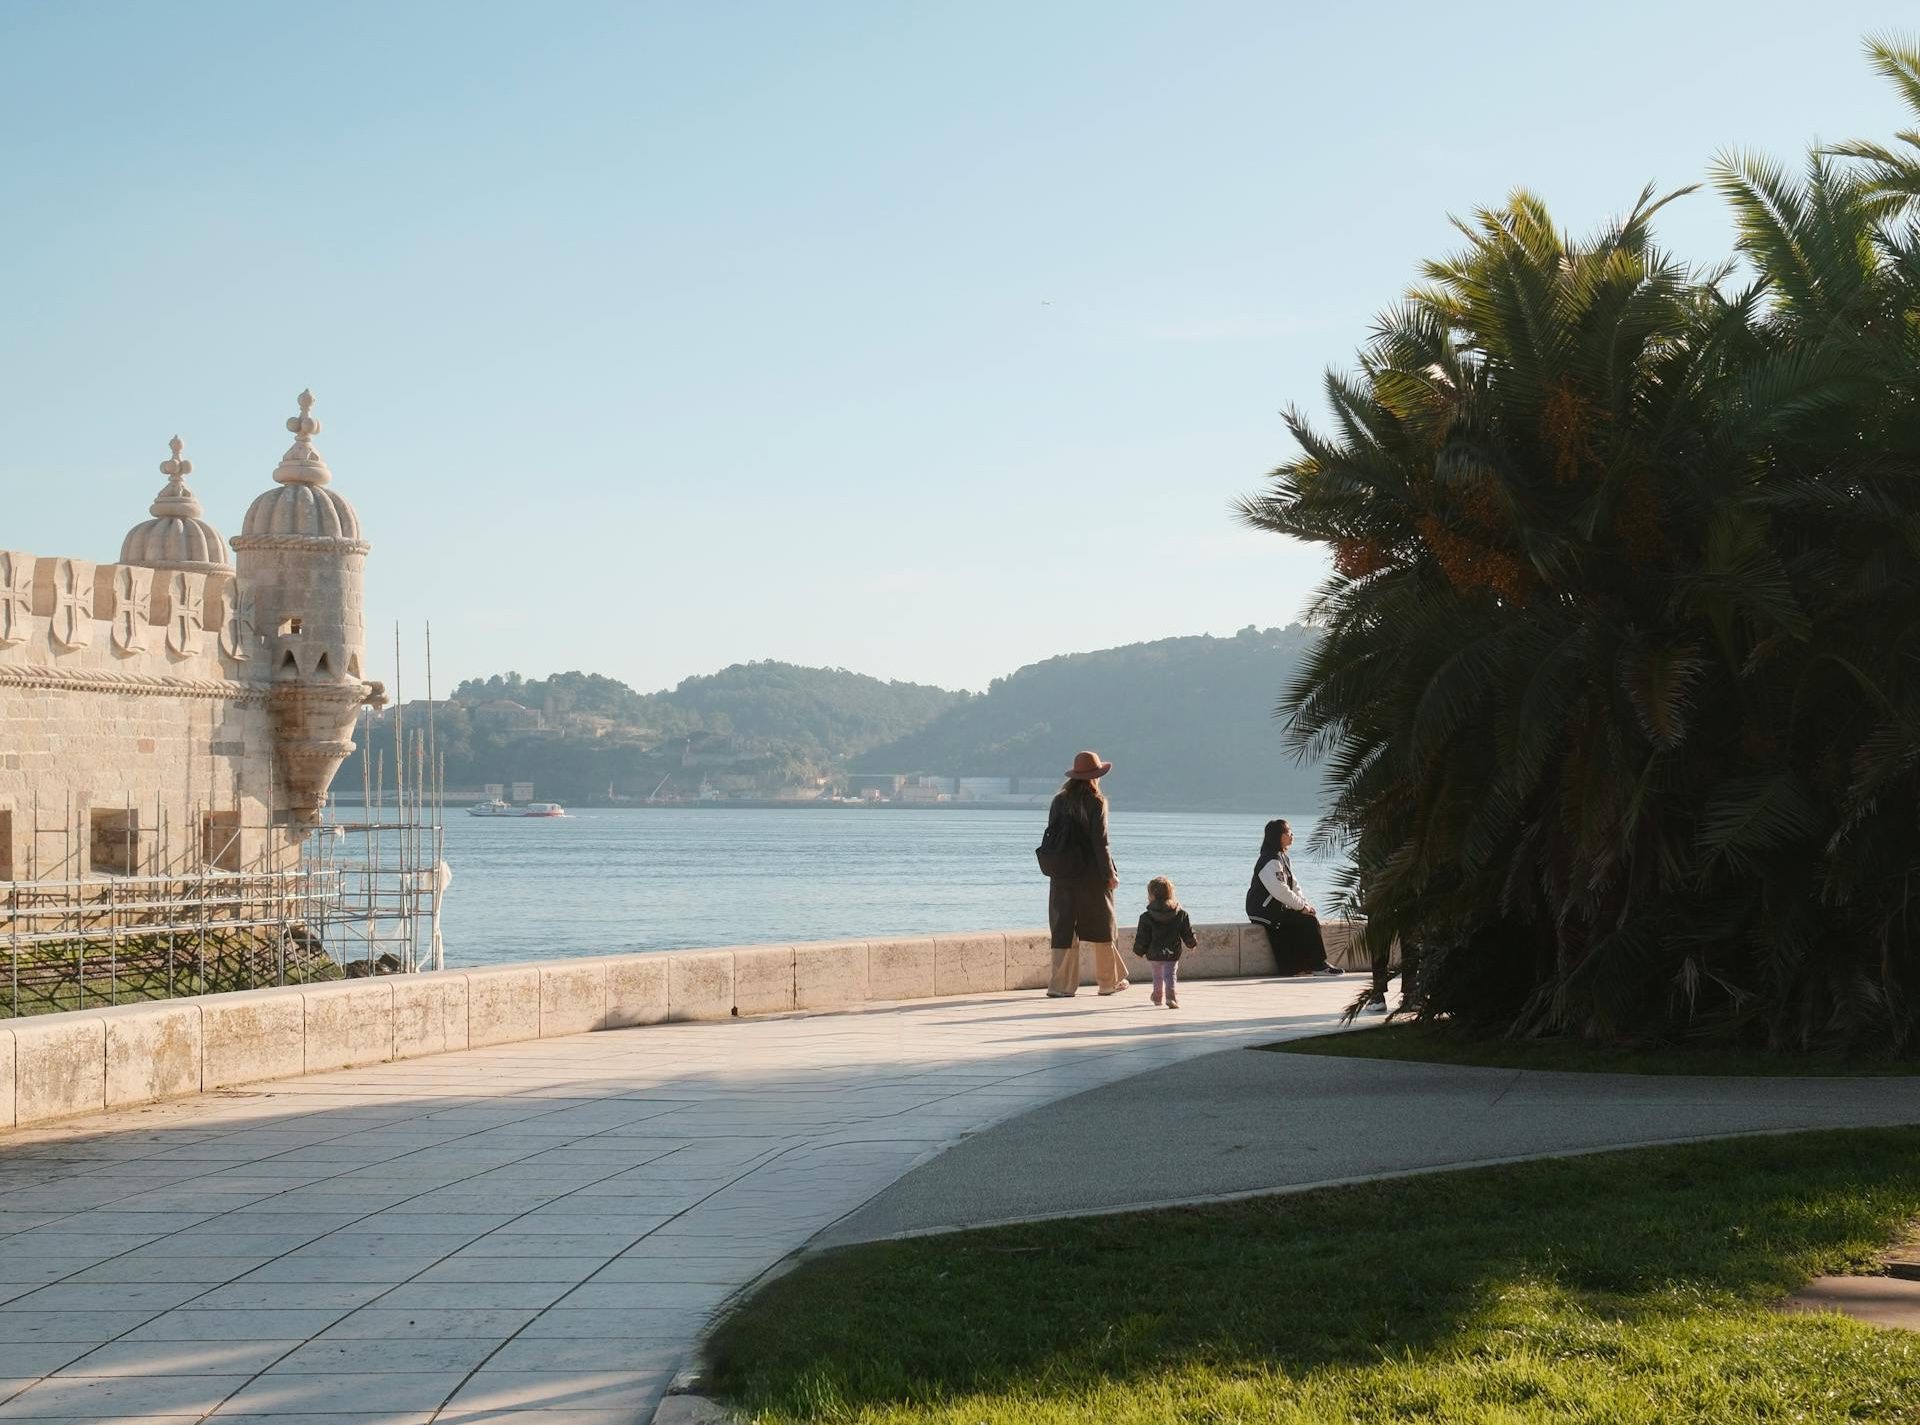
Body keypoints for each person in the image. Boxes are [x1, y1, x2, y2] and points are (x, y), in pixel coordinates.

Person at [1044, 750, 1130, 998]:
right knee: (1103, 925)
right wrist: (1110, 874)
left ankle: (1060, 986)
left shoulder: (1059, 801)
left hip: (1063, 873)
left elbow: (1052, 835)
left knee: (1063, 927)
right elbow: (1100, 843)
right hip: (1091, 874)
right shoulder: (1096, 802)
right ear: (1095, 777)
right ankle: (1108, 982)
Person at [1246, 818, 1341, 976]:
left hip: (1276, 908)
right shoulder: (1270, 860)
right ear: (1279, 836)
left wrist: (1304, 905)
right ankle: (1319, 965)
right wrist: (1301, 908)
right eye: (1288, 832)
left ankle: (1297, 967)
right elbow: (1280, 890)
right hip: (1262, 910)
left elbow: (1294, 884)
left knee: (1302, 919)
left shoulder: (1282, 857)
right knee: (1309, 922)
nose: (1292, 835)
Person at [1136, 875, 1197, 1008]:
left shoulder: (1146, 917)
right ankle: (1171, 997)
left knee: (1157, 976)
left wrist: (1139, 950)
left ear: (1151, 895)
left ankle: (1157, 997)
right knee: (1170, 975)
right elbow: (1187, 932)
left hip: (1154, 953)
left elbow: (1142, 936)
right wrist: (1191, 943)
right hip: (1172, 951)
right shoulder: (1181, 914)